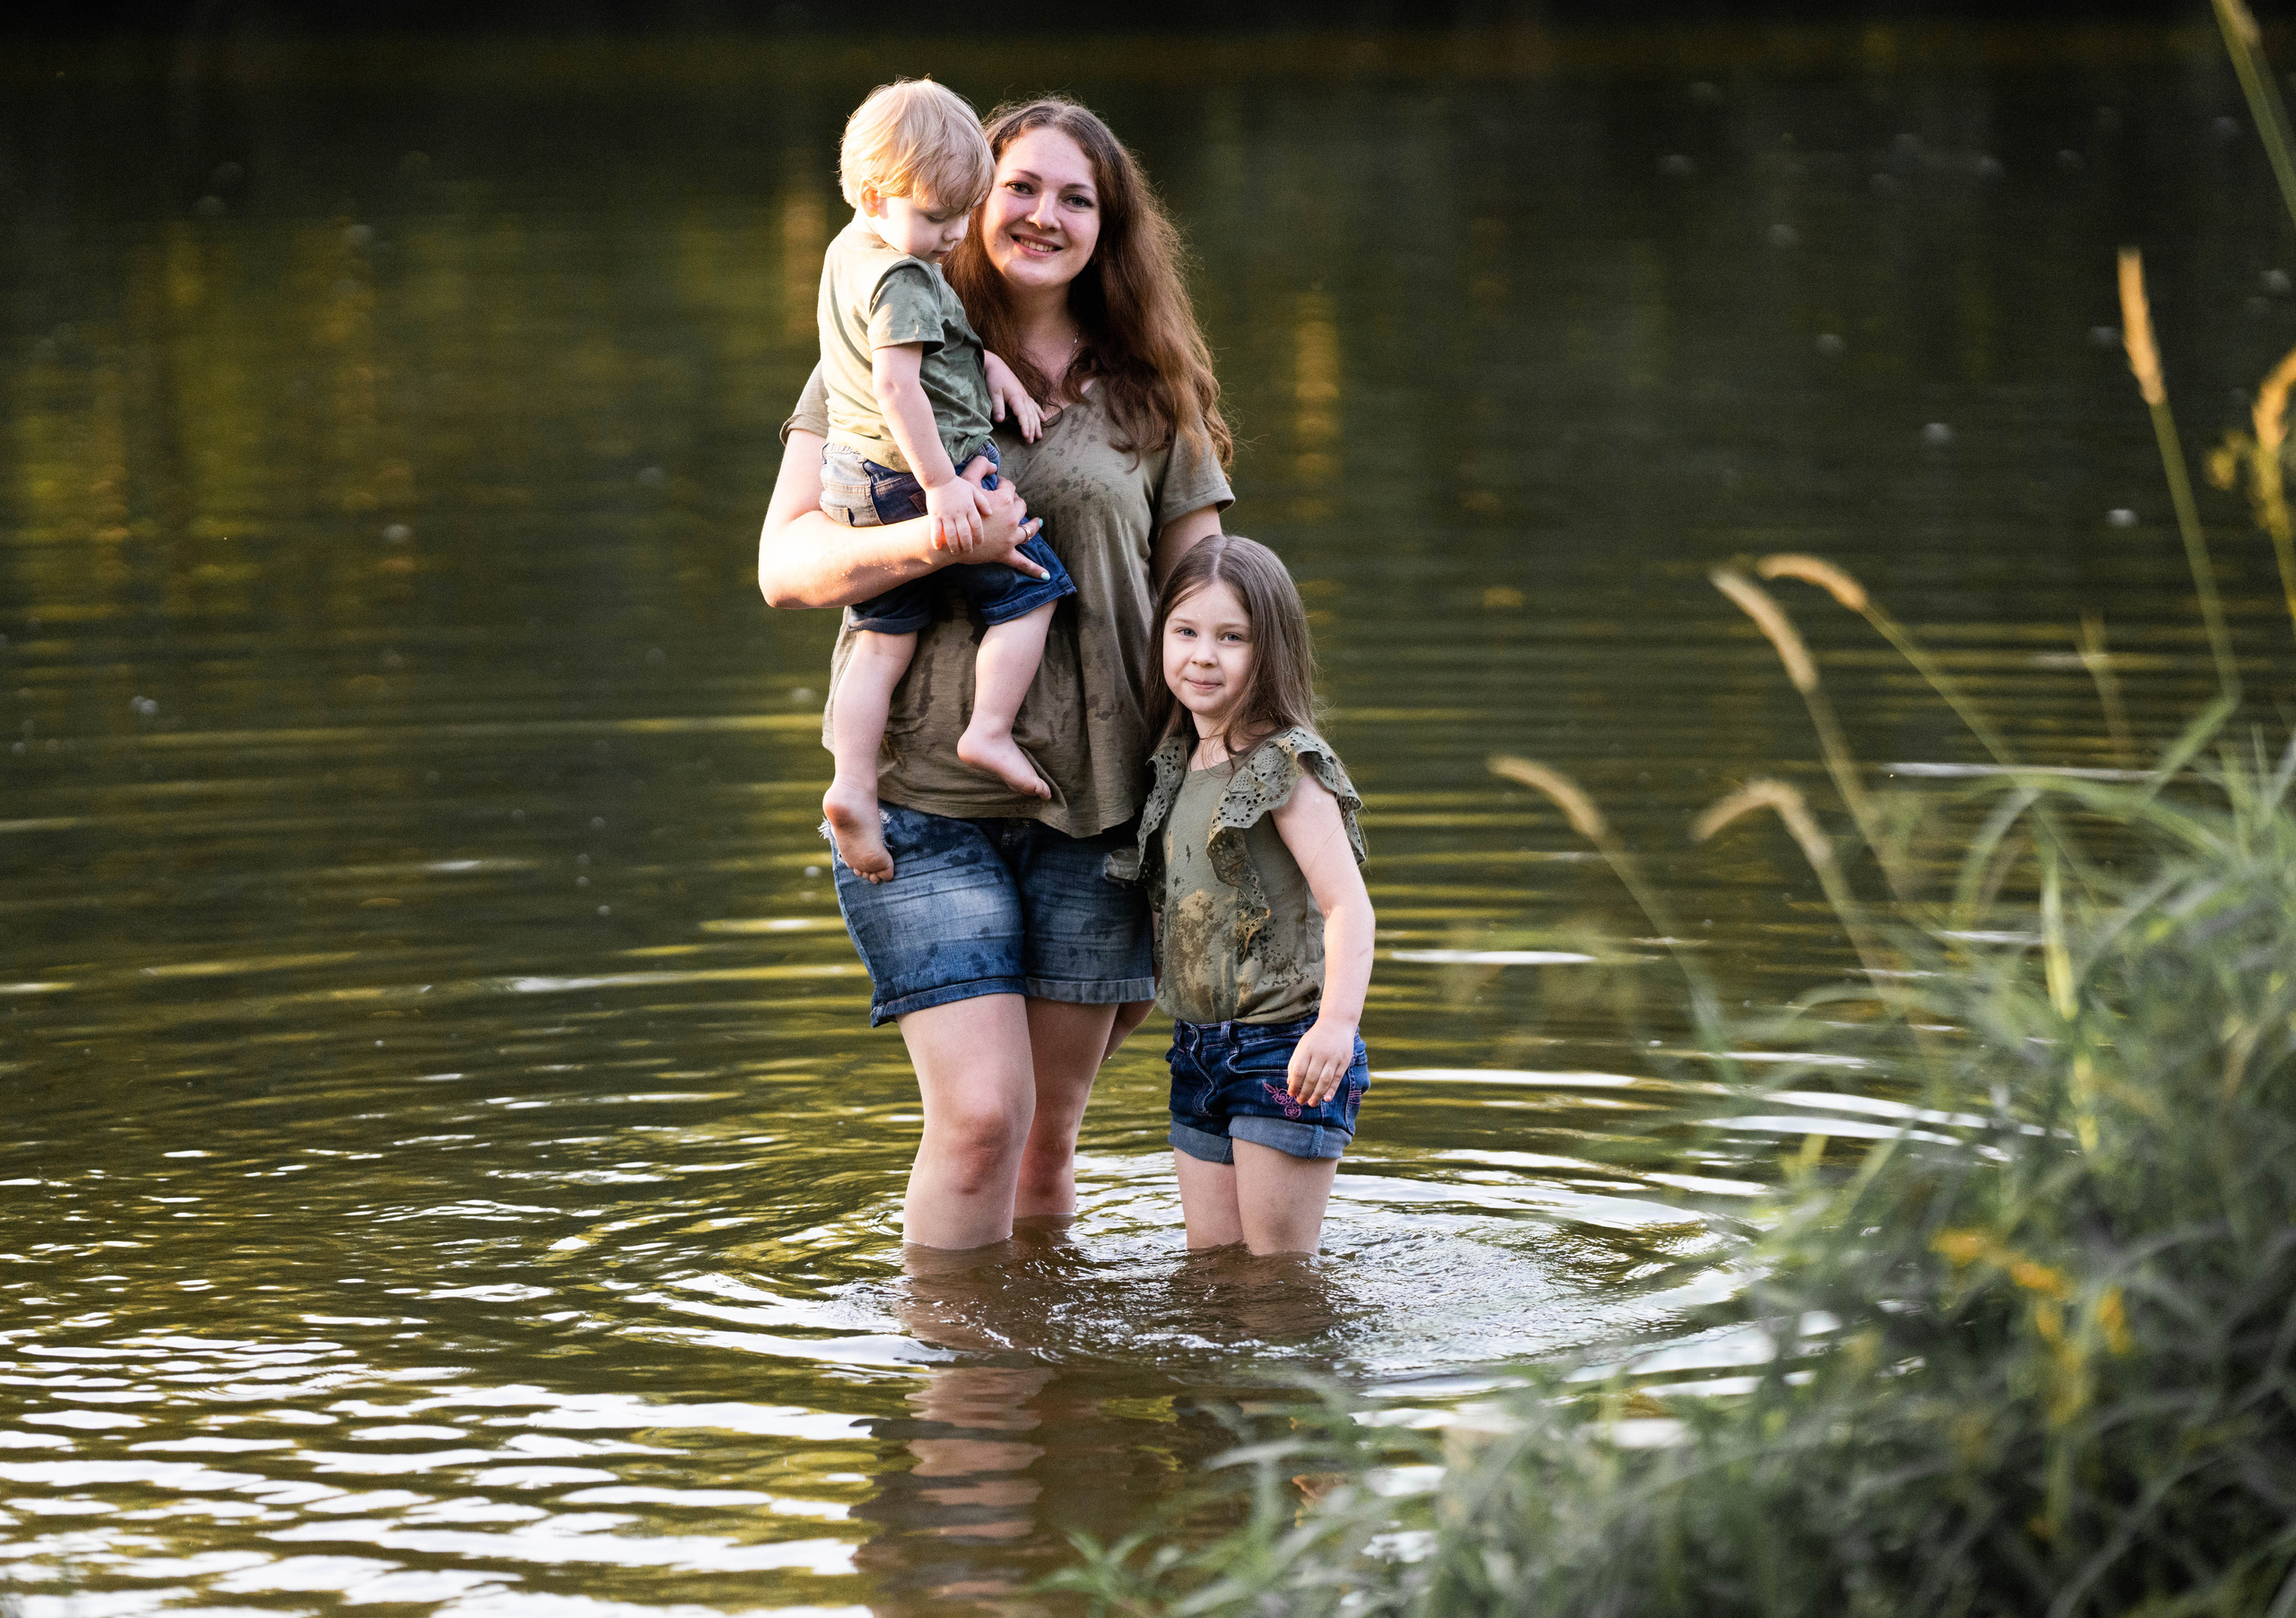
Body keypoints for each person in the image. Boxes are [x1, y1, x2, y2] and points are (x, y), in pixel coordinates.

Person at [757, 97, 1233, 1251]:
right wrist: (931, 541)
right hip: (919, 802)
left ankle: (1049, 1406)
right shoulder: (877, 345)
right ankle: (961, 1407)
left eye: (1078, 197)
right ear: (974, 198)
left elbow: (1210, 597)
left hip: (1099, 804)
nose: (1044, 215)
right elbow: (786, 566)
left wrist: (1248, 768)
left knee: (1044, 1135)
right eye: (1022, 186)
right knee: (979, 1119)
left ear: (1108, 228)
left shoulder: (1152, 393)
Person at [813, 78, 1078, 883]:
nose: (952, 235)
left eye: (964, 214)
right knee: (1035, 591)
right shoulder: (901, 276)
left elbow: (918, 356)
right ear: (872, 192)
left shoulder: (848, 255)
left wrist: (986, 359)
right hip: (913, 478)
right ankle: (989, 728)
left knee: (881, 643)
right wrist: (943, 491)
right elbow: (899, 387)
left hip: (860, 482)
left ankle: (853, 783)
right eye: (938, 218)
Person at [1109, 535, 1374, 1257]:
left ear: (1271, 651)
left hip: (1286, 1048)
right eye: (1186, 632)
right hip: (1196, 1051)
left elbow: (1348, 904)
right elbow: (1178, 919)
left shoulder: (1286, 766)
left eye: (1232, 638)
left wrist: (1334, 1029)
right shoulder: (1177, 764)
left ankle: (1309, 1370)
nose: (1203, 655)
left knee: (1278, 1281)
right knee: (1214, 1273)